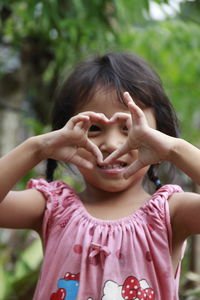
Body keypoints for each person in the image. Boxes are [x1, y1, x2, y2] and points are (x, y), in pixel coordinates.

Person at [0, 52, 199, 300]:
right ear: (65, 134)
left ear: (161, 133)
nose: (112, 143)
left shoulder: (170, 214)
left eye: (130, 128)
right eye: (94, 128)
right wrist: (37, 148)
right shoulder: (52, 208)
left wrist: (175, 149)